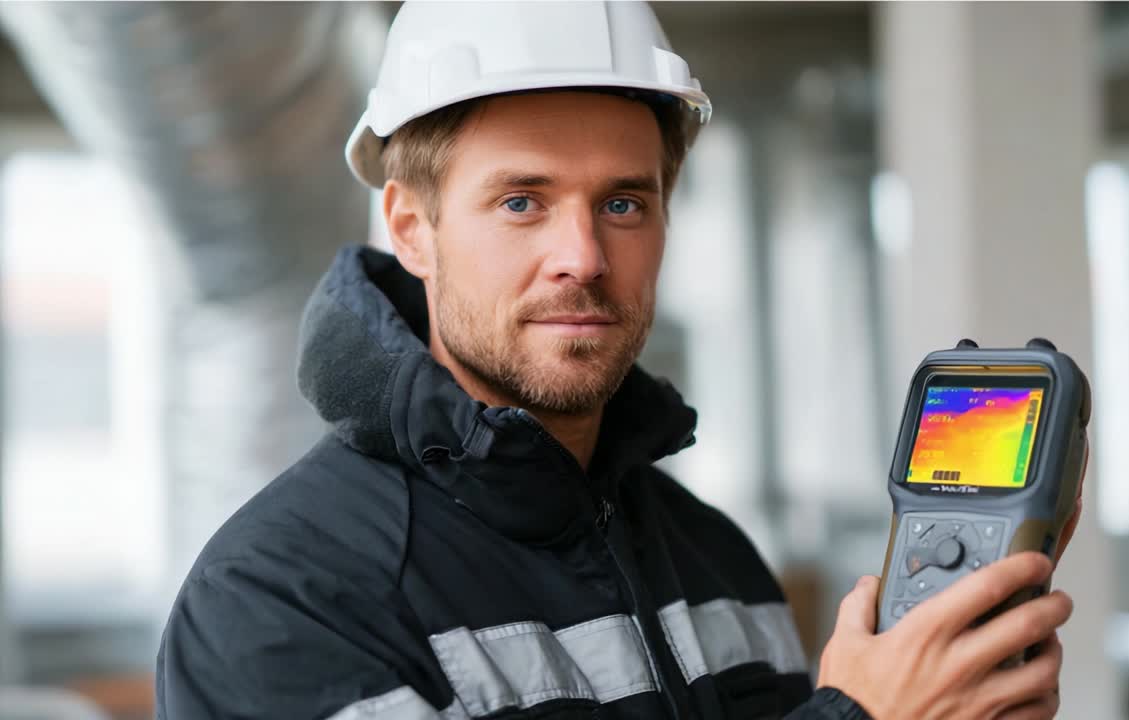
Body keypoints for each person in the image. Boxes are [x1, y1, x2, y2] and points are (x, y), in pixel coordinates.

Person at [156, 2, 1080, 719]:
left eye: (625, 203)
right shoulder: (279, 601)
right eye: (522, 201)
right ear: (412, 227)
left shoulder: (719, 565)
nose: (585, 256)